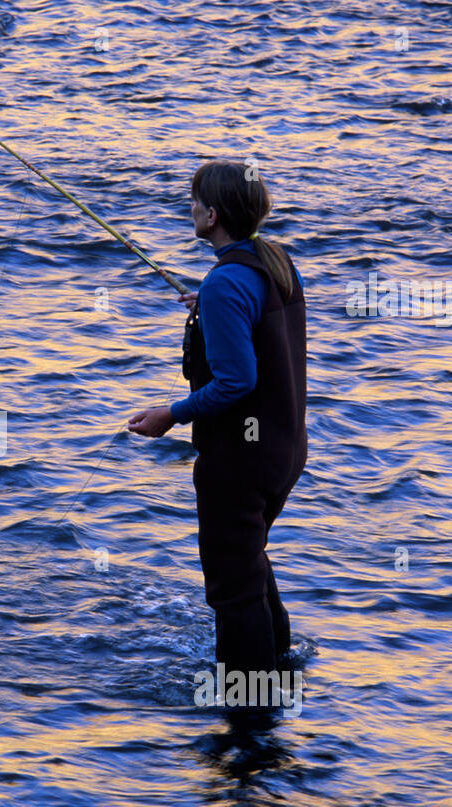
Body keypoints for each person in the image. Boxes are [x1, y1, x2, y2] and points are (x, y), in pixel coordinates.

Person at [128, 160, 308, 698]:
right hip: (283, 449)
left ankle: (246, 705)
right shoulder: (272, 261)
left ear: (212, 215)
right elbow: (249, 318)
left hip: (240, 458)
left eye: (194, 202)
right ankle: (277, 668)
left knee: (231, 583)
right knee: (247, 559)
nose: (190, 210)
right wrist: (207, 306)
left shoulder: (227, 282)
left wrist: (171, 415)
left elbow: (235, 382)